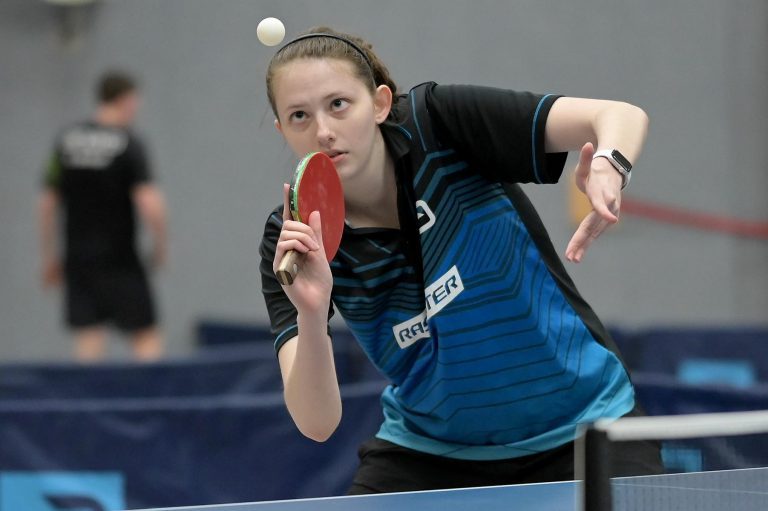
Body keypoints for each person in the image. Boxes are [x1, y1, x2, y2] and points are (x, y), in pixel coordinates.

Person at [259, 27, 663, 494]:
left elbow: (618, 115)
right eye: (299, 116)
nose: (324, 131)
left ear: (380, 103)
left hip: (583, 424)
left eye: (338, 104)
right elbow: (317, 424)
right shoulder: (292, 238)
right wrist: (311, 314)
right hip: (431, 452)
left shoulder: (439, 126)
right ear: (282, 130)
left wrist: (609, 165)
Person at [39, 70, 167, 362]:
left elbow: (47, 202)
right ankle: (154, 393)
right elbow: (149, 202)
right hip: (121, 260)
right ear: (126, 100)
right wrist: (160, 246)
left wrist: (49, 255)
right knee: (146, 338)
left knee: (88, 340)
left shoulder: (66, 142)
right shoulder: (128, 143)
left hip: (79, 260)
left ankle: (88, 394)